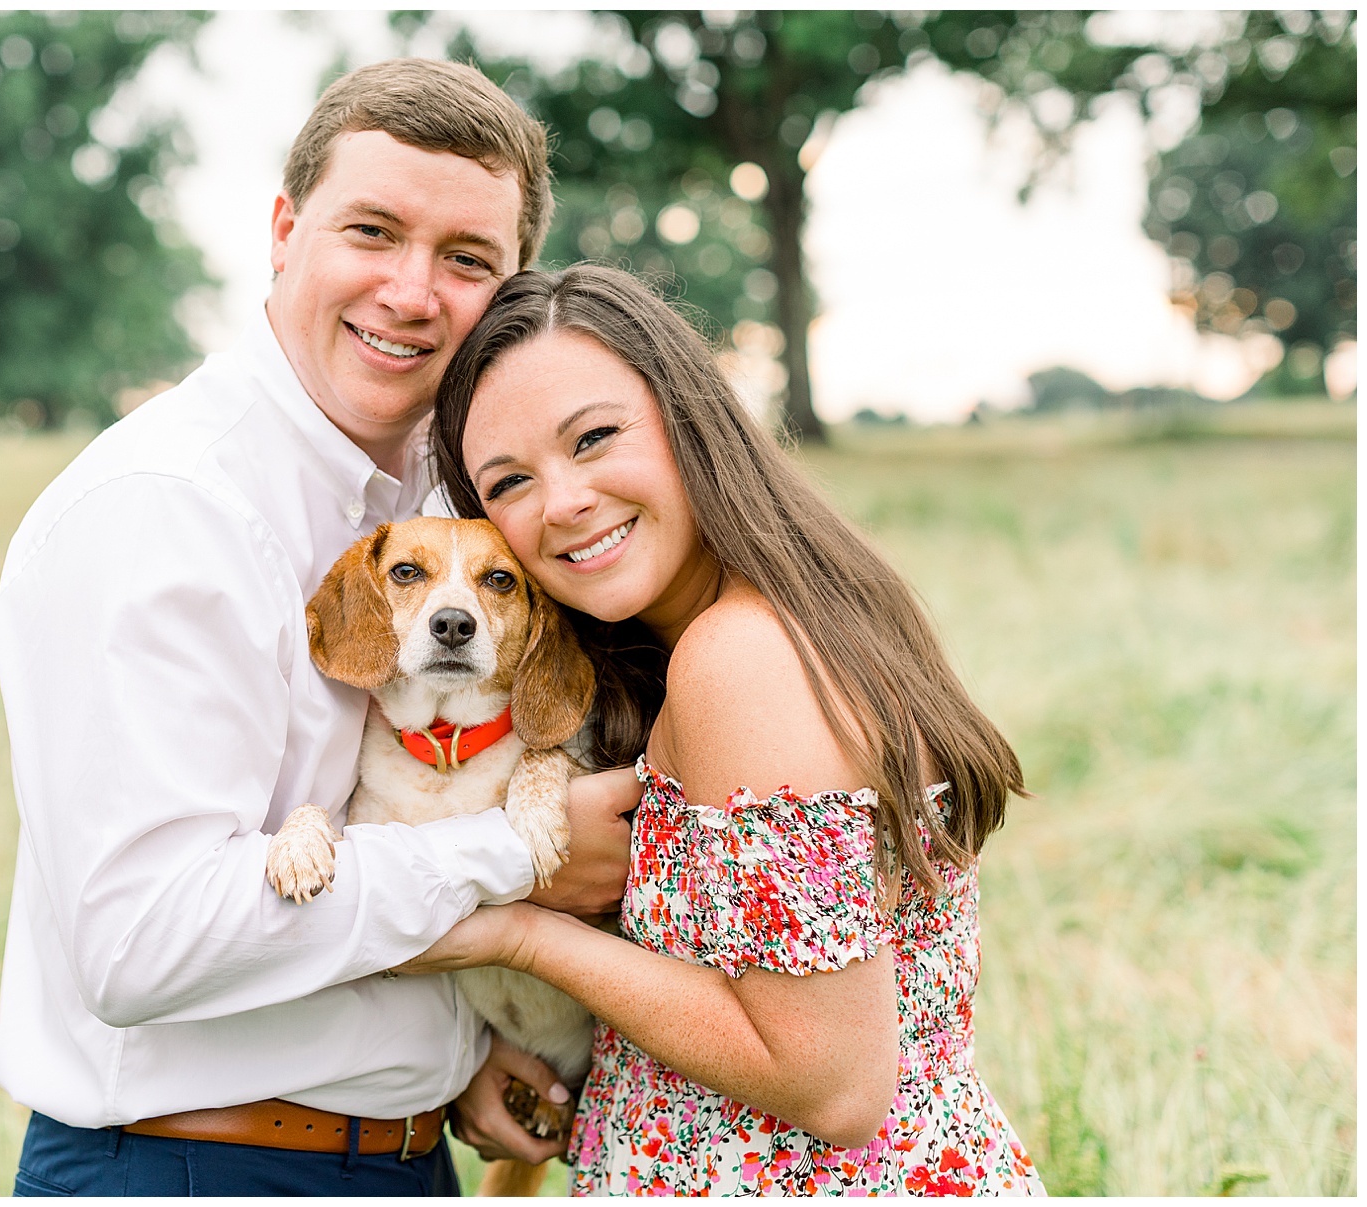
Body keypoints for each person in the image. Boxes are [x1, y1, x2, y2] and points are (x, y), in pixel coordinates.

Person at [0, 61, 636, 1197]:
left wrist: (452, 1056)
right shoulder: (159, 508)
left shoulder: (450, 502)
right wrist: (517, 860)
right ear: (285, 231)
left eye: (468, 260)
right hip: (190, 1164)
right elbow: (140, 941)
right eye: (373, 231)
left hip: (404, 1152)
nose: (412, 292)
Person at [409, 265, 1047, 1195]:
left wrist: (516, 933)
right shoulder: (762, 624)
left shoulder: (739, 657)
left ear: (689, 417)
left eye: (594, 437)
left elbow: (831, 1084)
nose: (563, 502)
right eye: (509, 482)